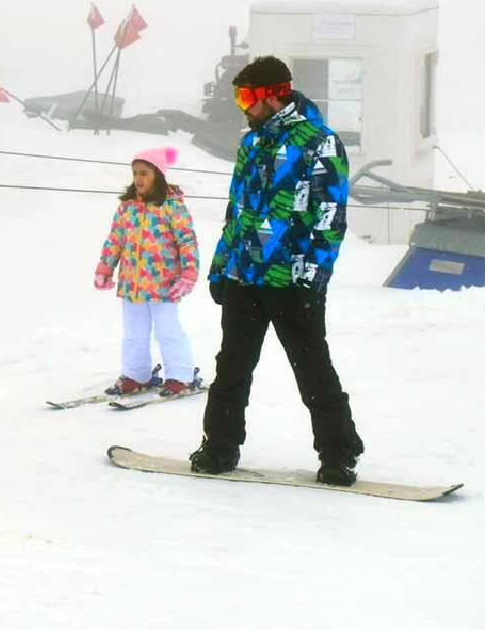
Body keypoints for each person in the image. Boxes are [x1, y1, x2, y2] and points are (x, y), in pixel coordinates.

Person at [191, 55, 364, 486]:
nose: (243, 107)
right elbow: (236, 211)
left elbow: (330, 217)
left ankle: (338, 454)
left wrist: (312, 278)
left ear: (277, 95)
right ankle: (220, 447)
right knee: (231, 368)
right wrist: (220, 268)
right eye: (238, 97)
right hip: (243, 276)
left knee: (313, 370)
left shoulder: (318, 142)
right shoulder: (250, 145)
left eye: (248, 97)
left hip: (292, 281)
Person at [94, 147, 201, 397]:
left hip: (164, 283)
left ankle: (181, 376)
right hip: (132, 284)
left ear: (158, 175)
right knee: (133, 332)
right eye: (135, 174)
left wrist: (188, 274)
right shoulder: (126, 208)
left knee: (168, 331)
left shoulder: (172, 206)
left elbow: (187, 241)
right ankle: (136, 375)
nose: (138, 179)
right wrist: (105, 269)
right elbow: (115, 240)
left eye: (144, 173)